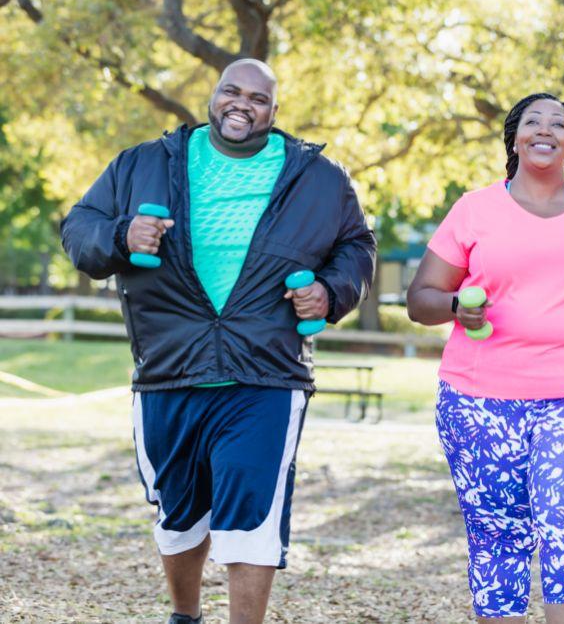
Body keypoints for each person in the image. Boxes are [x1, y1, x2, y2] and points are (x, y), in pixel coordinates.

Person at [60, 59, 376, 624]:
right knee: (177, 513)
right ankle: (185, 615)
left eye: (258, 98)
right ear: (212, 95)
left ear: (274, 112)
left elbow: (356, 246)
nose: (242, 104)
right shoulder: (144, 164)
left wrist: (330, 293)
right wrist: (119, 233)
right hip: (168, 366)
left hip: (267, 371)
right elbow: (79, 228)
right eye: (232, 91)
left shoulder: (320, 178)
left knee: (252, 510)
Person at [406, 92, 564, 624]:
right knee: (498, 536)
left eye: (558, 123)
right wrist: (457, 308)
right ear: (515, 138)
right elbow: (420, 298)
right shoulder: (474, 209)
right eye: (532, 121)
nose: (545, 130)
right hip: (478, 400)